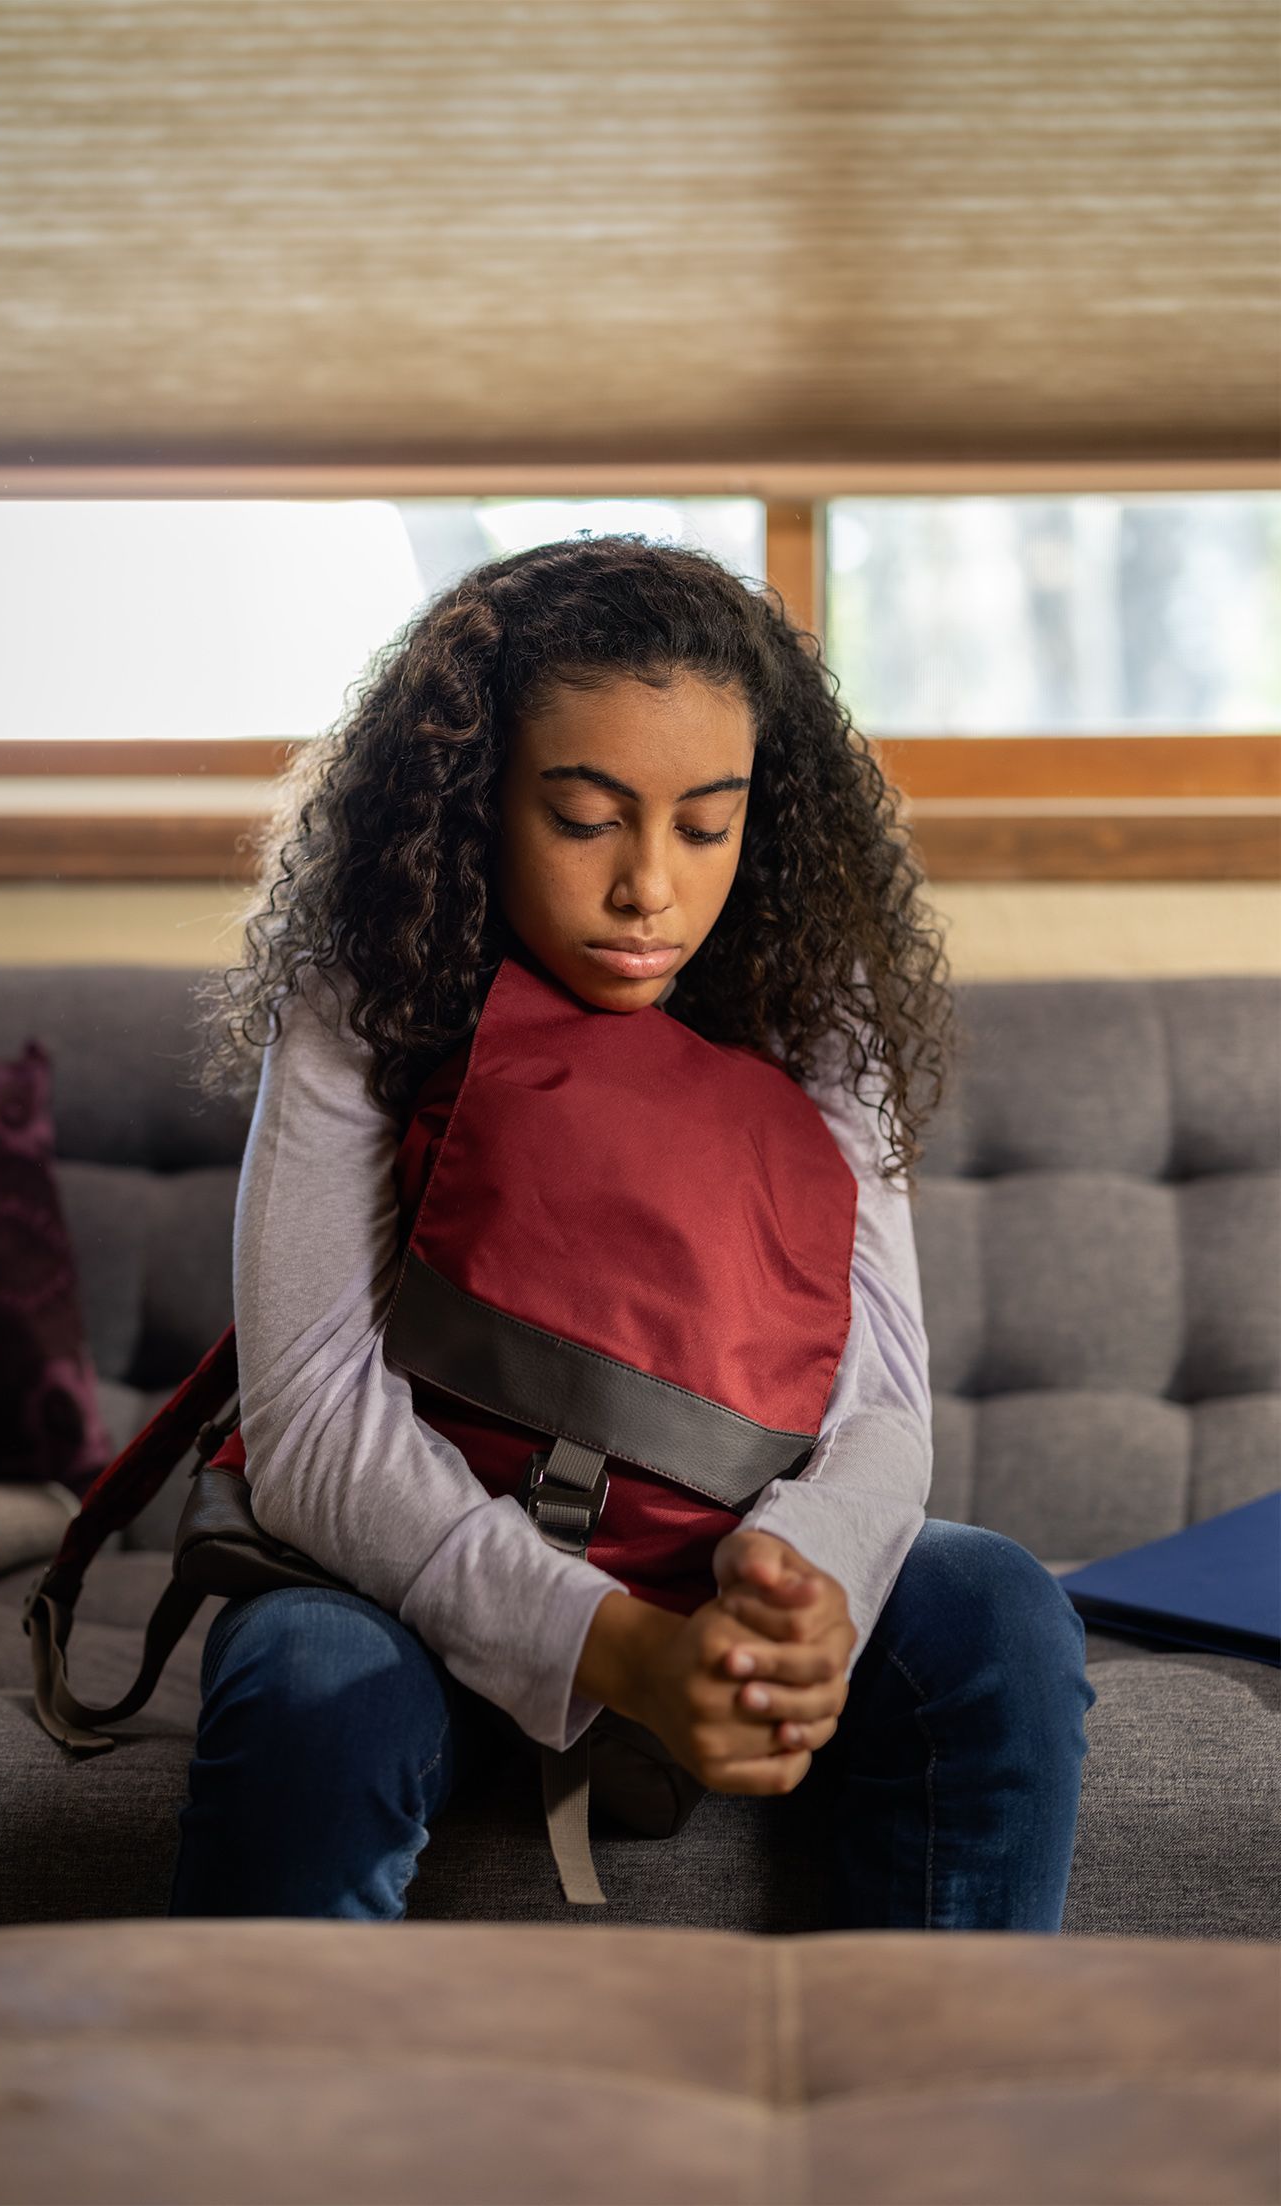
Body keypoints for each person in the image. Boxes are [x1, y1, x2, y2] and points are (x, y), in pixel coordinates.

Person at [167, 533, 1097, 1931]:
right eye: (588, 817)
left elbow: (887, 1404)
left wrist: (794, 1590)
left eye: (705, 824)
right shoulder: (365, 980)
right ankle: (276, 2143)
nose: (649, 885)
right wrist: (618, 1649)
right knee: (307, 1688)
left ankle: (926, 2112)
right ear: (477, 799)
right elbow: (307, 1427)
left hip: (718, 1559)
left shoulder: (810, 994)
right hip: (401, 1583)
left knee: (1001, 1610)